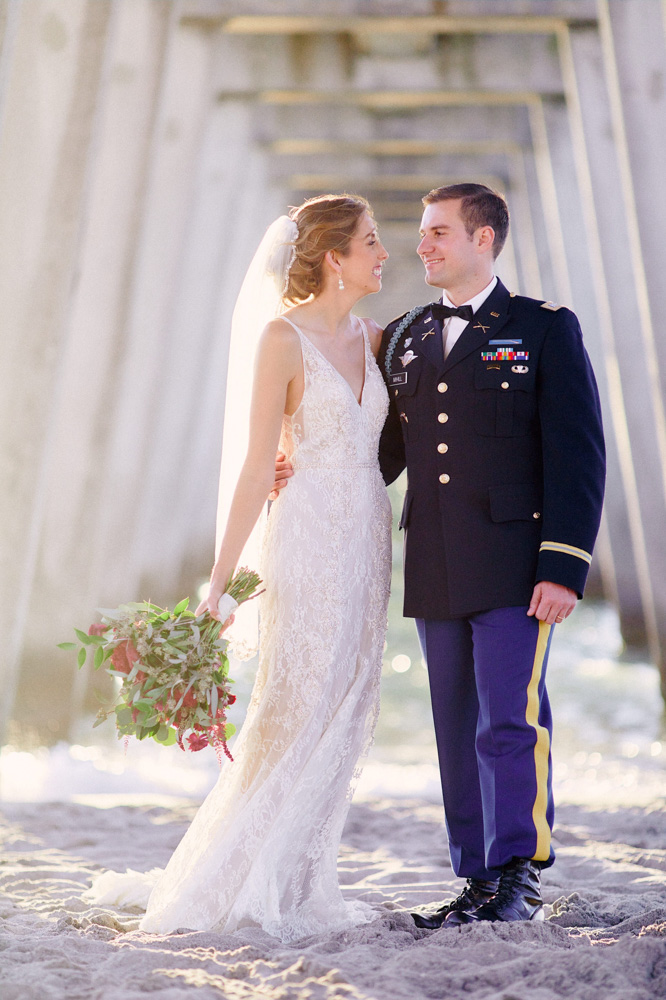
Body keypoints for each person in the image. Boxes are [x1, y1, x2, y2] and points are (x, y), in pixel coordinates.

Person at [274, 183, 605, 926]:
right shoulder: (406, 335)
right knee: (455, 724)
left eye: (439, 232)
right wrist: (296, 466)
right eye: (422, 233)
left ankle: (519, 872)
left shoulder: (545, 328)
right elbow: (377, 447)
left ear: (484, 239)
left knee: (510, 721)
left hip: (519, 563)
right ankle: (479, 877)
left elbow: (578, 454)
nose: (422, 245)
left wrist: (565, 565)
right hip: (433, 557)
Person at [86, 194, 392, 942]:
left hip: (370, 542)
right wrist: (218, 586)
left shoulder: (382, 338)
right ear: (333, 257)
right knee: (291, 709)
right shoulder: (280, 341)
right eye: (372, 241)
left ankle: (298, 875)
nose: (386, 253)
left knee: (348, 704)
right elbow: (260, 467)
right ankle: (229, 878)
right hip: (308, 536)